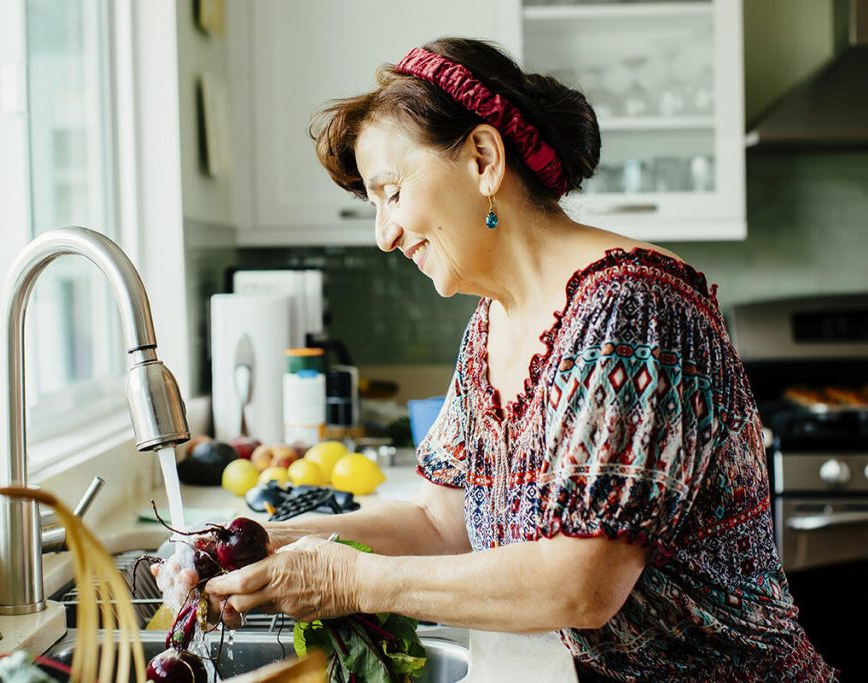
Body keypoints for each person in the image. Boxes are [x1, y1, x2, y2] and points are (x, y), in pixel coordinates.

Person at [159, 38, 837, 681]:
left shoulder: (633, 310)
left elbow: (581, 583)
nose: (384, 234)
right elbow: (438, 524)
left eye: (391, 192)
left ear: (483, 158)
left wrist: (354, 580)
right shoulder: (492, 325)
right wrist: (264, 543)